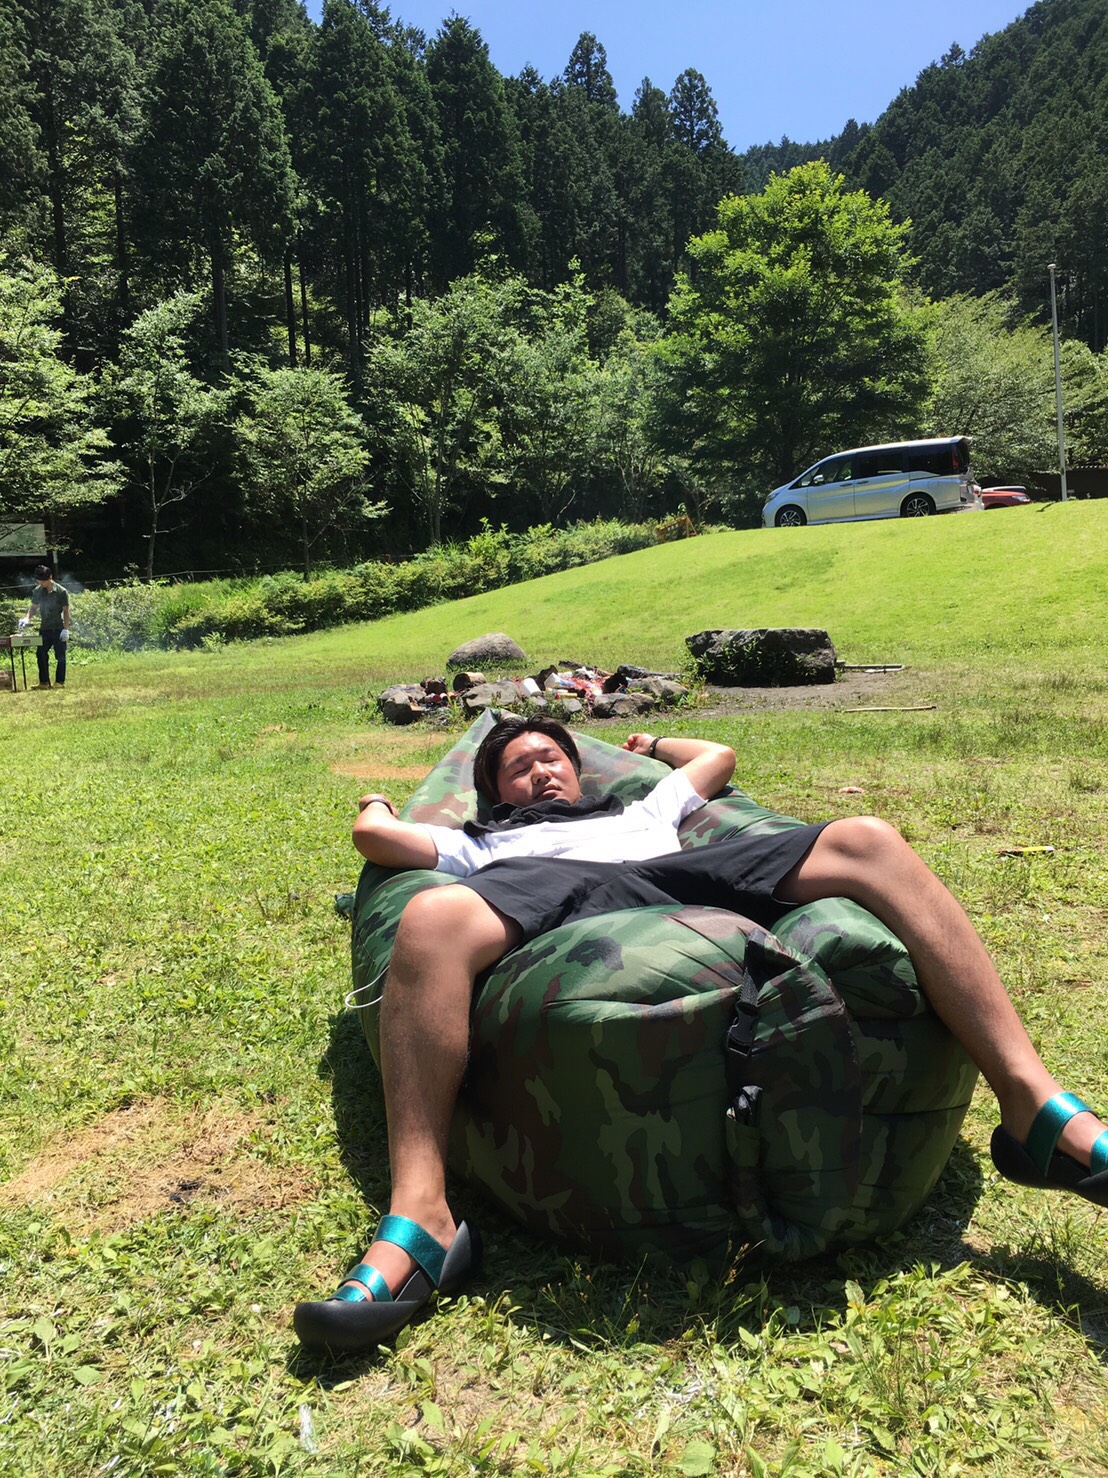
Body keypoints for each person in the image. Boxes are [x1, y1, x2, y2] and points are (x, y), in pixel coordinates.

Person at [294, 714, 1108, 1353]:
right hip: (543, 889)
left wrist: (648, 747)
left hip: (667, 870)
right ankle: (425, 1216)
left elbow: (717, 758)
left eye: (553, 757)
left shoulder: (640, 807)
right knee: (431, 919)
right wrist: (376, 803)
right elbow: (379, 842)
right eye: (519, 766)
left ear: (578, 771)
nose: (541, 769)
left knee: (867, 838)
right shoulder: (480, 840)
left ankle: (1031, 1106)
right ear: (495, 792)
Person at [20, 565, 71, 689]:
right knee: (41, 654)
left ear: (50, 577)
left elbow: (66, 611)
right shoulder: (38, 591)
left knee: (60, 656)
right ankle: (44, 682)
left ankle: (59, 682)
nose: (41, 583)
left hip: (58, 628)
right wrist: (27, 618)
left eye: (43, 581)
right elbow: (33, 608)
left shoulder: (61, 592)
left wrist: (66, 629)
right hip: (45, 628)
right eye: (39, 581)